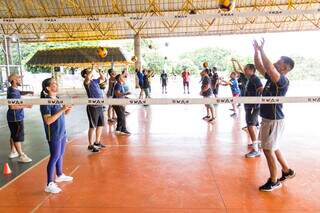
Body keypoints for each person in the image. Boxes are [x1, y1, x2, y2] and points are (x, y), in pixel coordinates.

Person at [253, 39, 295, 192]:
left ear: (285, 67)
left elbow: (269, 68)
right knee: (274, 147)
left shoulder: (282, 80)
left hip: (274, 120)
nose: (276, 62)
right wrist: (256, 51)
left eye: (279, 62)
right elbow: (259, 66)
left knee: (268, 149)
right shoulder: (272, 77)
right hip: (268, 119)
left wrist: (263, 50)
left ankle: (274, 180)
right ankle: (287, 170)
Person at [40, 78, 73, 194]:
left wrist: (68, 109)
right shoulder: (46, 102)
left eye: (56, 82)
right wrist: (62, 109)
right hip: (53, 133)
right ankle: (49, 184)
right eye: (53, 83)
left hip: (62, 132)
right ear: (48, 88)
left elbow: (63, 114)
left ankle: (59, 175)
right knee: (54, 156)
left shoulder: (58, 99)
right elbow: (48, 121)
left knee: (61, 154)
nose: (56, 84)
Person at [232, 59, 264, 157]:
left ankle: (256, 150)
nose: (244, 70)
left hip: (253, 106)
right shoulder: (249, 78)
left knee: (250, 125)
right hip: (249, 106)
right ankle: (256, 144)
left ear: (251, 70)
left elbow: (261, 89)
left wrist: (257, 102)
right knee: (252, 125)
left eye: (246, 69)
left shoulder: (255, 78)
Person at [6, 73, 33, 163]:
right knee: (17, 136)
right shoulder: (13, 93)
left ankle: (13, 151)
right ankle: (21, 155)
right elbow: (12, 106)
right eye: (18, 78)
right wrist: (27, 106)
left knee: (14, 133)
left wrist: (27, 93)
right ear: (14, 80)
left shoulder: (12, 89)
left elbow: (19, 92)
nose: (20, 79)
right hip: (16, 117)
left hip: (14, 117)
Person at [81, 68, 106, 153]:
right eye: (87, 71)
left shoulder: (95, 81)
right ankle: (90, 144)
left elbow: (103, 78)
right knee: (92, 126)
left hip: (100, 106)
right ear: (85, 74)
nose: (90, 71)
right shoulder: (86, 82)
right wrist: (92, 67)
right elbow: (88, 78)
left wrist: (100, 71)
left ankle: (97, 142)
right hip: (92, 107)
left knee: (100, 125)